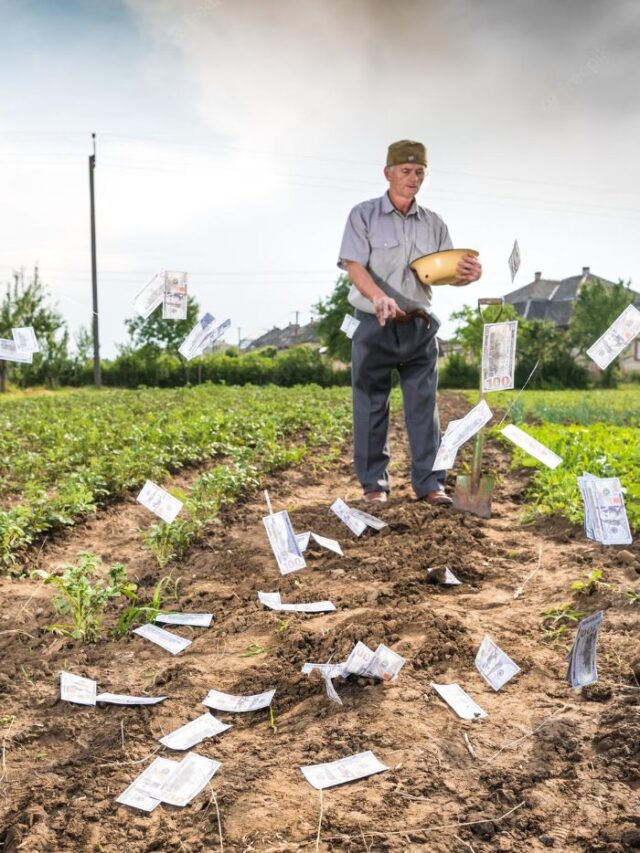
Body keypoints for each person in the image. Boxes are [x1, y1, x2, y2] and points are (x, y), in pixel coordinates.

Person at [337, 139, 482, 505]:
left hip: (419, 326)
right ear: (388, 173)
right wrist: (378, 297)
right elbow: (354, 266)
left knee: (424, 407)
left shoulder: (434, 223)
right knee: (370, 405)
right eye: (405, 171)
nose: (413, 178)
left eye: (419, 172)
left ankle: (430, 484)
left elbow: (445, 272)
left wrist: (467, 274)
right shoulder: (363, 215)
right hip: (374, 325)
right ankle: (374, 486)